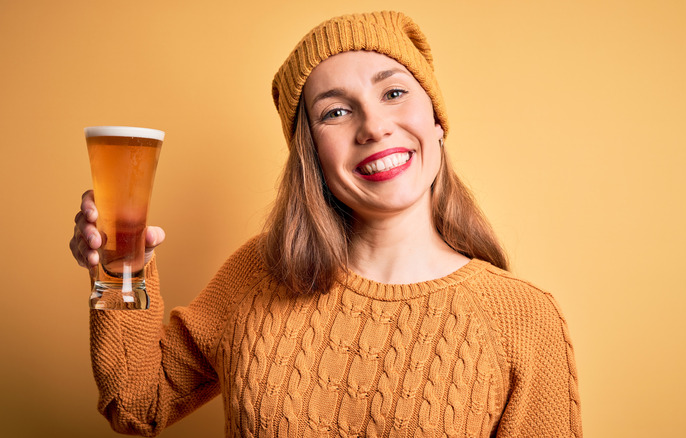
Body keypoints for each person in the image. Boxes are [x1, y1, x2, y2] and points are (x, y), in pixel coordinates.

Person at [70, 11, 582, 437]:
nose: (375, 126)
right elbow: (136, 403)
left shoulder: (524, 320)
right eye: (335, 112)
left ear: (437, 122)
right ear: (310, 152)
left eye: (395, 93)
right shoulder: (258, 273)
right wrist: (120, 267)